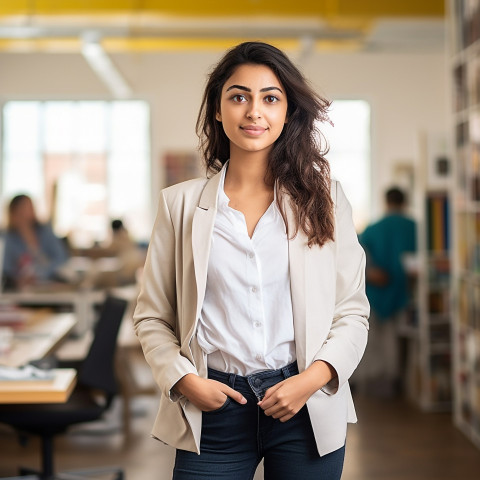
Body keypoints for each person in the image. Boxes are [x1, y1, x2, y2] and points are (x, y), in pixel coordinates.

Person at [133, 41, 369, 480]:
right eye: (239, 96)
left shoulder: (326, 200)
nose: (254, 112)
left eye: (270, 98)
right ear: (219, 110)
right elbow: (151, 317)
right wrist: (184, 381)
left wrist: (312, 378)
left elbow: (352, 311)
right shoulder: (179, 206)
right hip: (215, 406)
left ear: (287, 112)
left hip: (304, 401)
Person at [357, 187, 416, 397]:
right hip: (406, 295)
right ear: (405, 202)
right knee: (403, 344)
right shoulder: (415, 228)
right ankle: (401, 386)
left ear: (386, 201)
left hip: (376, 294)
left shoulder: (372, 229)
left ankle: (376, 387)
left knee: (376, 344)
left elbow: (358, 260)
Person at [2, 194, 69, 289]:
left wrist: (40, 274)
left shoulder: (46, 232)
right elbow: (5, 270)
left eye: (31, 207)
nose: (30, 211)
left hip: (51, 285)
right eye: (24, 208)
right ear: (14, 212)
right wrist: (18, 280)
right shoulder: (8, 238)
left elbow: (62, 259)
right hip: (20, 290)